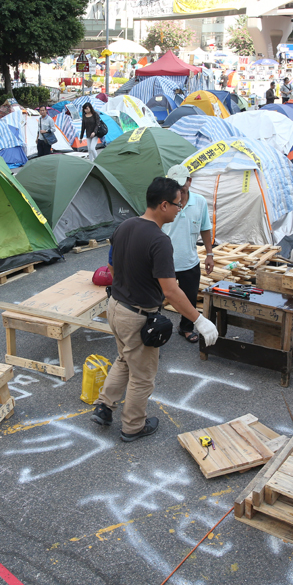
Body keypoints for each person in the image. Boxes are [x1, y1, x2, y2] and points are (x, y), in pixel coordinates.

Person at [91, 177, 219, 441]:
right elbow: (171, 290)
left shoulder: (125, 226)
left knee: (124, 359)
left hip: (115, 306)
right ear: (163, 205)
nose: (179, 209)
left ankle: (104, 406)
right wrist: (199, 320)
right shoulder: (160, 240)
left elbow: (112, 266)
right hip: (137, 315)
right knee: (143, 376)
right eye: (177, 205)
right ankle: (133, 426)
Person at [160, 166, 214, 343]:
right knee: (156, 298)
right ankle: (153, 328)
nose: (179, 191)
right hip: (164, 262)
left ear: (189, 181)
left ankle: (186, 327)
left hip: (189, 261)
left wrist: (209, 254)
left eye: (182, 186)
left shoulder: (199, 202)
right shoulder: (163, 202)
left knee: (189, 298)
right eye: (174, 186)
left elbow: (205, 228)